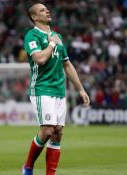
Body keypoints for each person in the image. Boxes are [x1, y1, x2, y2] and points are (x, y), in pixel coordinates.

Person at [22, 3, 90, 175]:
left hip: (59, 90)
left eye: (46, 9)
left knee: (58, 133)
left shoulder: (57, 36)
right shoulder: (32, 35)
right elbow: (40, 59)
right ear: (34, 17)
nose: (47, 11)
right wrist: (52, 44)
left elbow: (67, 64)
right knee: (47, 130)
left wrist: (81, 89)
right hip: (42, 89)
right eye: (42, 10)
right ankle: (28, 166)